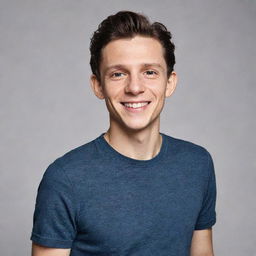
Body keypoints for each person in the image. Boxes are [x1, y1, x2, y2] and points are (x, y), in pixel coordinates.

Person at [31, 11, 217, 256]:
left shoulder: (197, 164)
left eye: (149, 72)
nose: (135, 88)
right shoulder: (65, 179)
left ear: (169, 82)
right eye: (118, 74)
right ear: (98, 85)